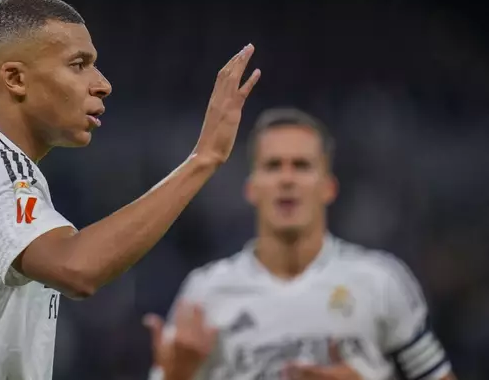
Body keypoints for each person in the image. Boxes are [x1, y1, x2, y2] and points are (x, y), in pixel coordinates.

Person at [0, 0, 261, 380]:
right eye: (78, 64)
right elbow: (76, 269)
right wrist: (202, 159)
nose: (102, 84)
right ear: (15, 78)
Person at [144, 108, 457, 380]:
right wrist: (176, 376)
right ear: (252, 188)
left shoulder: (382, 282)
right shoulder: (204, 294)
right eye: (273, 166)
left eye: (302, 166)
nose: (287, 179)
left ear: (329, 187)